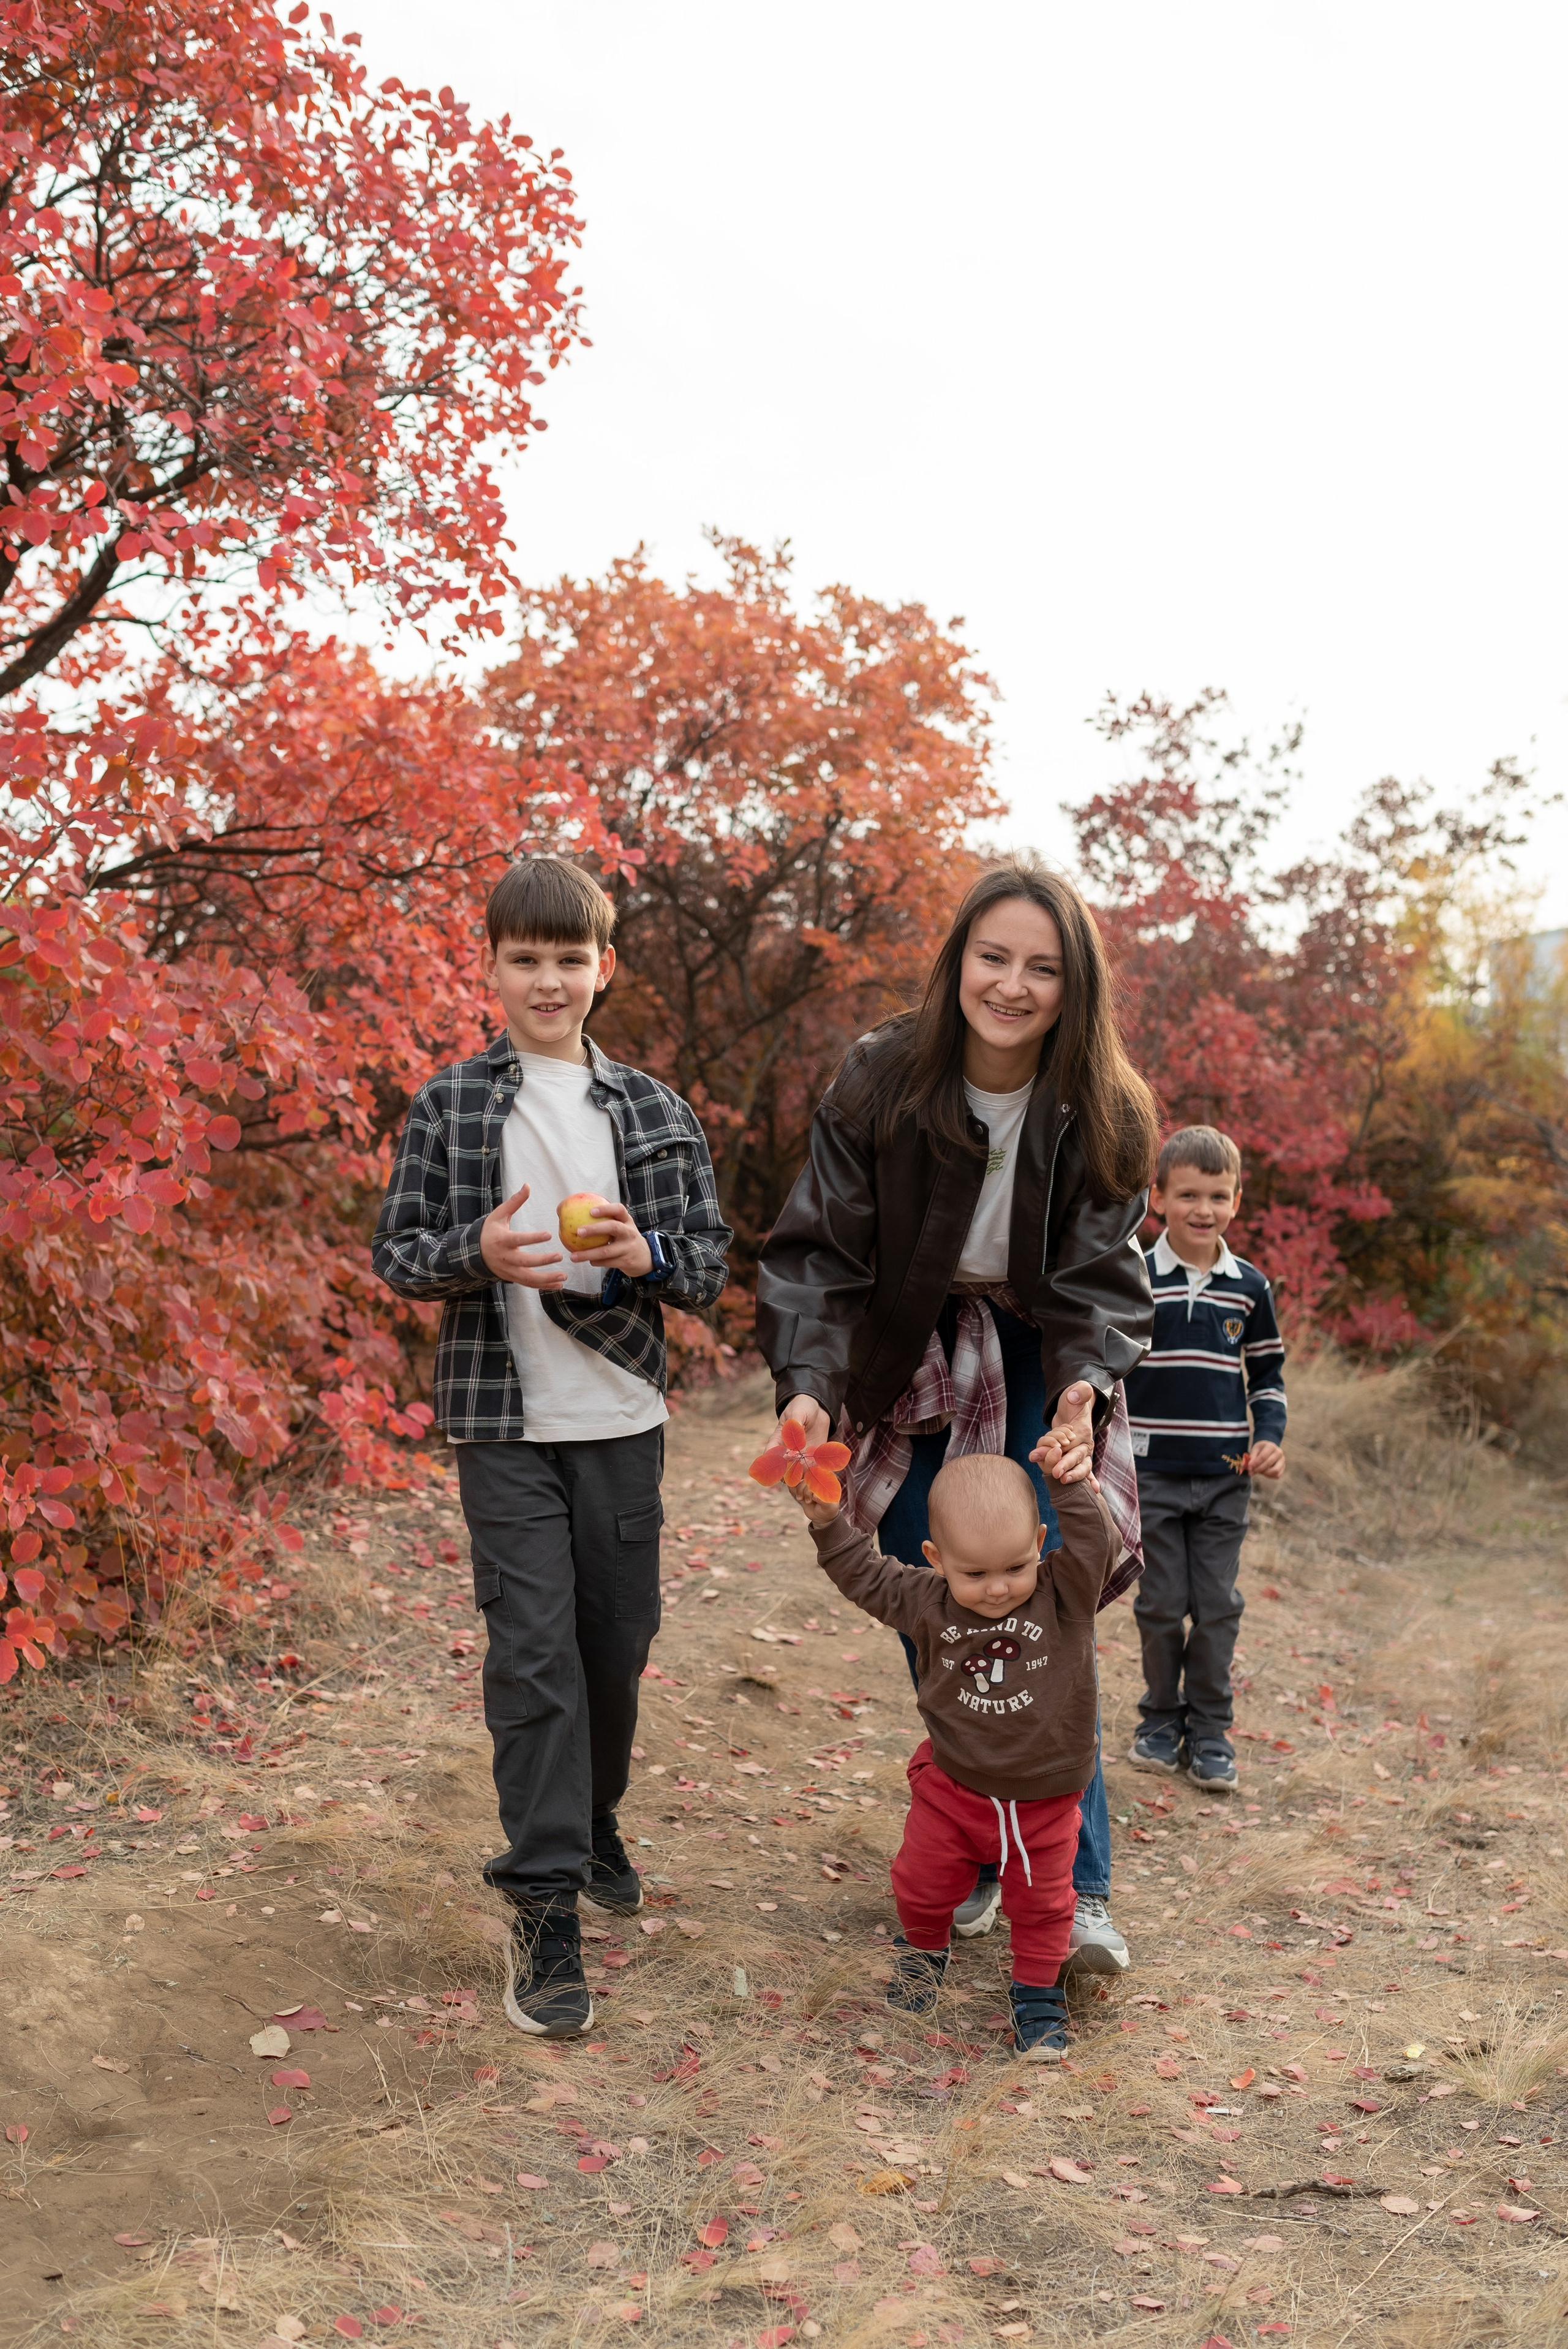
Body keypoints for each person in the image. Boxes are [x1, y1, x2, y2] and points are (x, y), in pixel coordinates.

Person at [756, 858, 1158, 1976]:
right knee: (936, 1586)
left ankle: (1076, 1891)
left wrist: (1084, 1387)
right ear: (959, 961)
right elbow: (820, 1252)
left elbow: (1100, 1277)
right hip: (903, 1341)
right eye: (995, 956)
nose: (1014, 984)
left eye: (1043, 966)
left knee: (1029, 1589)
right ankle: (982, 1836)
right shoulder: (883, 1075)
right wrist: (808, 1382)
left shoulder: (1103, 1105)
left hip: (1039, 1347)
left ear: (1075, 987)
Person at [371, 857, 731, 2036]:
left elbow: (714, 1268)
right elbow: (398, 1253)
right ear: (489, 965)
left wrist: (647, 1258)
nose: (547, 978)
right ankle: (543, 1901)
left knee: (612, 1647)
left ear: (603, 968)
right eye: (524, 956)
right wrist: (478, 1246)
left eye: (569, 957)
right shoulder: (451, 1105)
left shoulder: (653, 1109)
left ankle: (595, 1812)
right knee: (533, 1655)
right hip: (501, 1420)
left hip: (621, 1416)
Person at [790, 1447, 1118, 2060]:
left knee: (1044, 1904)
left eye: (1015, 1567)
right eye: (974, 1575)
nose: (997, 1589)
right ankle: (923, 1950)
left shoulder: (1063, 1592)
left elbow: (1099, 1546)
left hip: (1043, 1799)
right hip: (953, 1787)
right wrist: (828, 1522)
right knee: (919, 1882)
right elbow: (862, 1574)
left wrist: (1066, 1483)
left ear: (1040, 1542)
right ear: (937, 1561)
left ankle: (1037, 1993)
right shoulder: (925, 1600)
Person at [1123, 1125, 1287, 1792]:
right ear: (1157, 1197)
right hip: (1151, 1474)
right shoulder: (1133, 1275)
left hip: (1225, 1476)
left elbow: (1267, 1376)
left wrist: (1268, 1435)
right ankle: (1161, 1719)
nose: (1202, 1209)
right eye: (1187, 1194)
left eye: (1217, 1196)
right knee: (1161, 1605)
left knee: (1216, 1605)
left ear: (1237, 1201)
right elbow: (1108, 1365)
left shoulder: (1248, 1288)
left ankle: (1211, 1729)